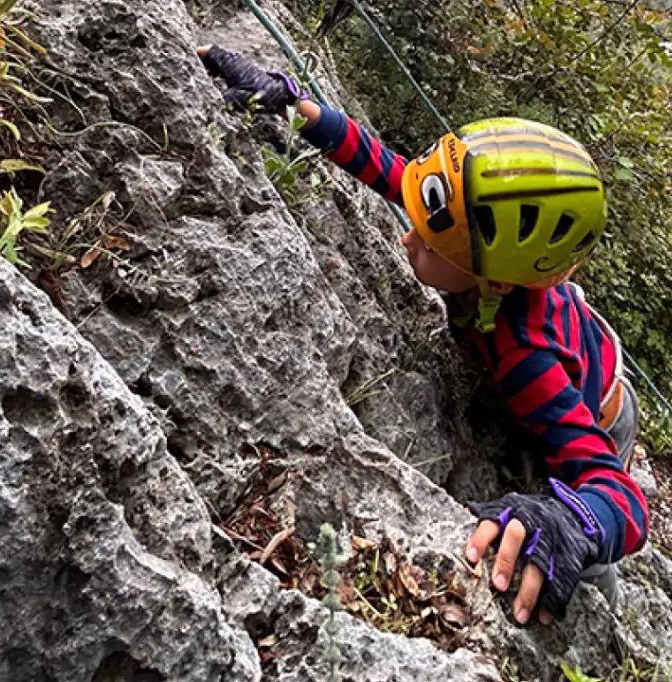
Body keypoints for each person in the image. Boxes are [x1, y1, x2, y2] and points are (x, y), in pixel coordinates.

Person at [198, 46, 648, 626]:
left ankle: (604, 610)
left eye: (433, 244)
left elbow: (618, 492)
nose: (410, 238)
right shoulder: (491, 260)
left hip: (600, 409)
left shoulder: (524, 355)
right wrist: (296, 108)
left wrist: (580, 524)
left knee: (574, 552)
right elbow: (391, 171)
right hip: (583, 352)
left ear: (491, 281)